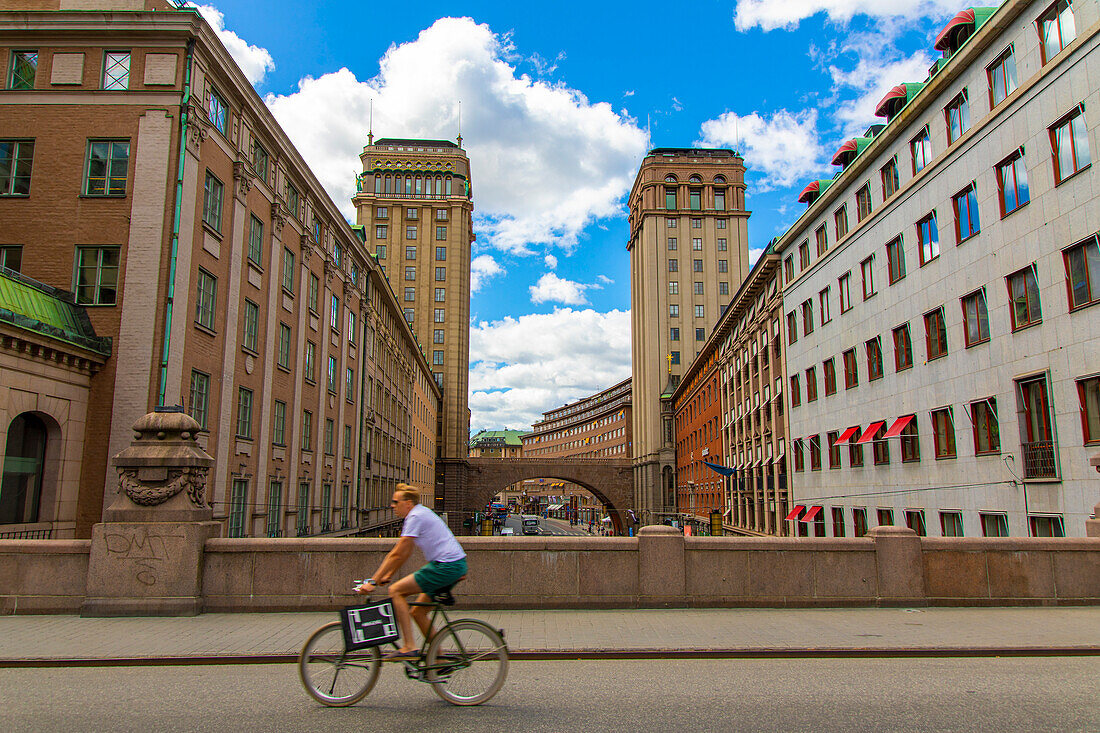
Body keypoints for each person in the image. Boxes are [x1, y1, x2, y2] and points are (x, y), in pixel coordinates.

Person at [355, 485, 467, 660]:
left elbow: (397, 553)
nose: (393, 505)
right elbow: (405, 553)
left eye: (396, 502)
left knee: (396, 591)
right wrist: (388, 575)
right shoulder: (420, 513)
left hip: (446, 566)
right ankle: (440, 658)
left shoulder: (415, 516)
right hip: (454, 564)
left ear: (408, 503)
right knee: (417, 612)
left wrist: (373, 582)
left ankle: (409, 646)